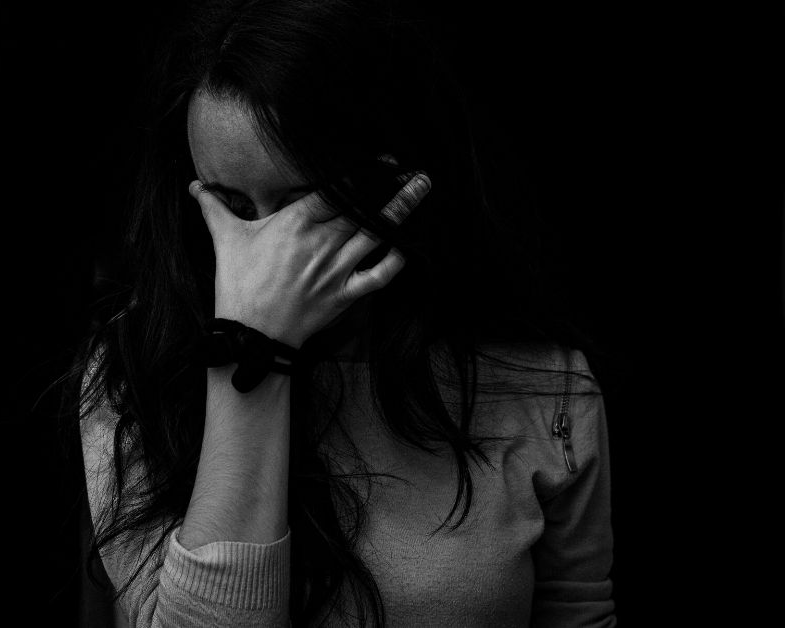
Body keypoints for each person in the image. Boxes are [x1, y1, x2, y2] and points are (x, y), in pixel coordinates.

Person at [68, 0, 616, 626]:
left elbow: (578, 610)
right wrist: (252, 351)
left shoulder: (540, 381)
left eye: (300, 205)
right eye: (231, 205)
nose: (265, 253)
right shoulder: (138, 368)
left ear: (398, 182)